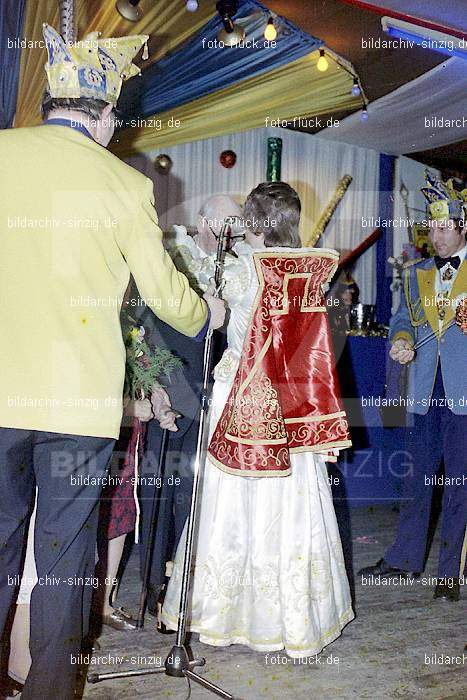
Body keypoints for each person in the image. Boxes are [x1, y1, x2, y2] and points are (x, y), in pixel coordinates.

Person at [0, 23, 225, 699]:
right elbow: (166, 297)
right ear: (103, 115)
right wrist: (206, 311)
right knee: (67, 563)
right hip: (77, 406)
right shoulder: (123, 184)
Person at [162, 182, 354, 658]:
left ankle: (225, 612)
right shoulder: (310, 269)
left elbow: (203, 302)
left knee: (230, 505)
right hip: (291, 400)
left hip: (242, 392)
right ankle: (293, 620)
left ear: (252, 222)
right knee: (291, 505)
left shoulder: (240, 270)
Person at [358, 173, 467, 602]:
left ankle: (449, 572)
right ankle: (405, 559)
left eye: (445, 228)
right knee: (417, 479)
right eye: (432, 228)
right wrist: (401, 340)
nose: (436, 237)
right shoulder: (417, 271)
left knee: (459, 483)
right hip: (424, 391)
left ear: (463, 226)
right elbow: (402, 319)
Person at [137, 195, 244, 623]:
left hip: (211, 398)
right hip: (169, 394)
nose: (229, 234)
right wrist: (168, 391)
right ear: (201, 222)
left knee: (194, 498)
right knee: (156, 493)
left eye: (236, 225)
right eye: (222, 224)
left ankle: (183, 593)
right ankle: (152, 587)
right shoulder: (169, 258)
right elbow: (145, 325)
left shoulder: (240, 270)